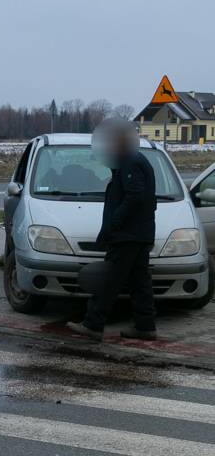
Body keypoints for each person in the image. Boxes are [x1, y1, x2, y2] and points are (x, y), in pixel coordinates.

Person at [69, 119, 157, 340]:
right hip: (138, 234)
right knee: (140, 282)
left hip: (128, 236)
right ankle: (145, 326)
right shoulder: (132, 161)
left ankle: (93, 324)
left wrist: (114, 224)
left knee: (109, 280)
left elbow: (134, 198)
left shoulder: (130, 163)